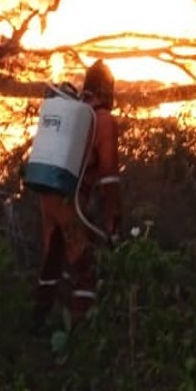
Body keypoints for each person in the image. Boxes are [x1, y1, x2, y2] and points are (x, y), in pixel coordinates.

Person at [32, 59, 123, 331]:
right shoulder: (104, 120)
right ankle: (80, 337)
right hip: (70, 203)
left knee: (53, 264)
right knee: (86, 270)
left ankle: (38, 327)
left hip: (48, 198)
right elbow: (109, 176)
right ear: (108, 90)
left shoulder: (75, 115)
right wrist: (114, 221)